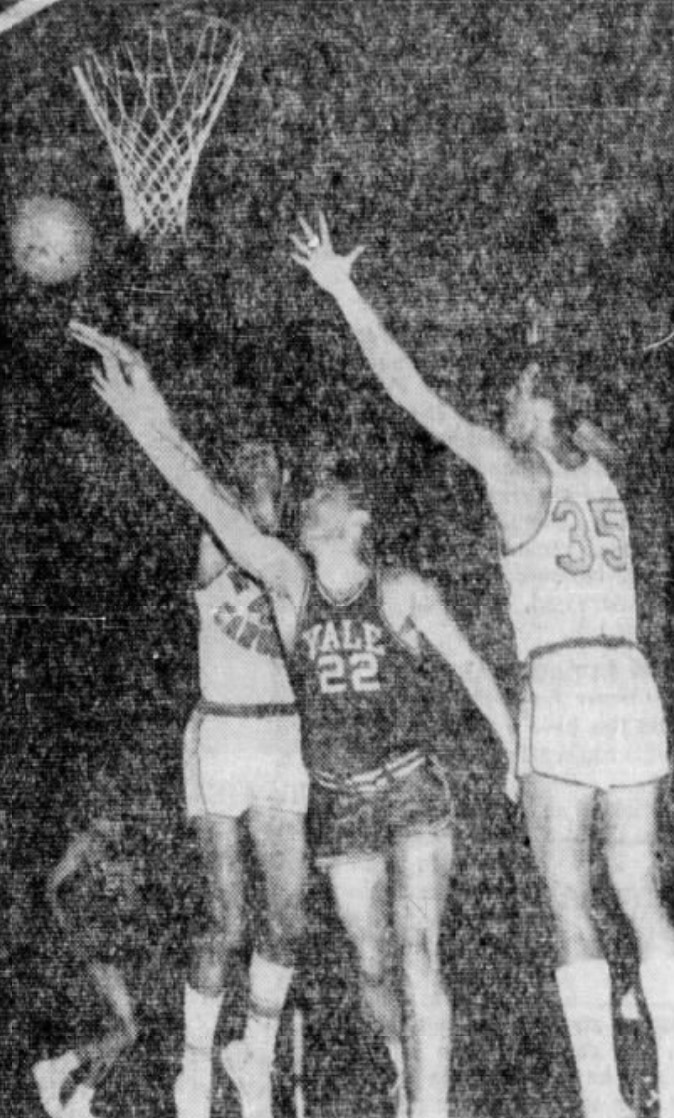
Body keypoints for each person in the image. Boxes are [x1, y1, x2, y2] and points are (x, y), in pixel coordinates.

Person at [70, 319, 518, 1118]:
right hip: (300, 774)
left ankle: (408, 1099)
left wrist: (516, 747)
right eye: (301, 489)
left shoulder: (382, 584)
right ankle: (306, 1068)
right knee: (347, 955)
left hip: (377, 773)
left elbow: (475, 668)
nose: (306, 496)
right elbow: (201, 487)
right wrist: (145, 417)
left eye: (320, 490)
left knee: (386, 945)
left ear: (358, 516)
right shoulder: (273, 569)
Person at [290, 213, 674, 1118]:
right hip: (633, 684)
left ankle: (605, 1104)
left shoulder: (513, 468)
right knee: (642, 893)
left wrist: (346, 291)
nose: (501, 404)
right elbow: (587, 393)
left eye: (513, 394)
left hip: (566, 685)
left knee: (570, 902)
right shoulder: (606, 471)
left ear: (538, 403)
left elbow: (412, 392)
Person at [32, 801, 141, 1118]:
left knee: (124, 1031)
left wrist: (126, 885)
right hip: (93, 943)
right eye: (113, 819)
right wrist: (67, 925)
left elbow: (130, 904)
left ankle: (80, 1099)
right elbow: (52, 885)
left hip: (112, 942)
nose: (118, 827)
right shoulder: (86, 843)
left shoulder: (119, 854)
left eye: (121, 822)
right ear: (98, 817)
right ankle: (58, 1069)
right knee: (128, 1031)